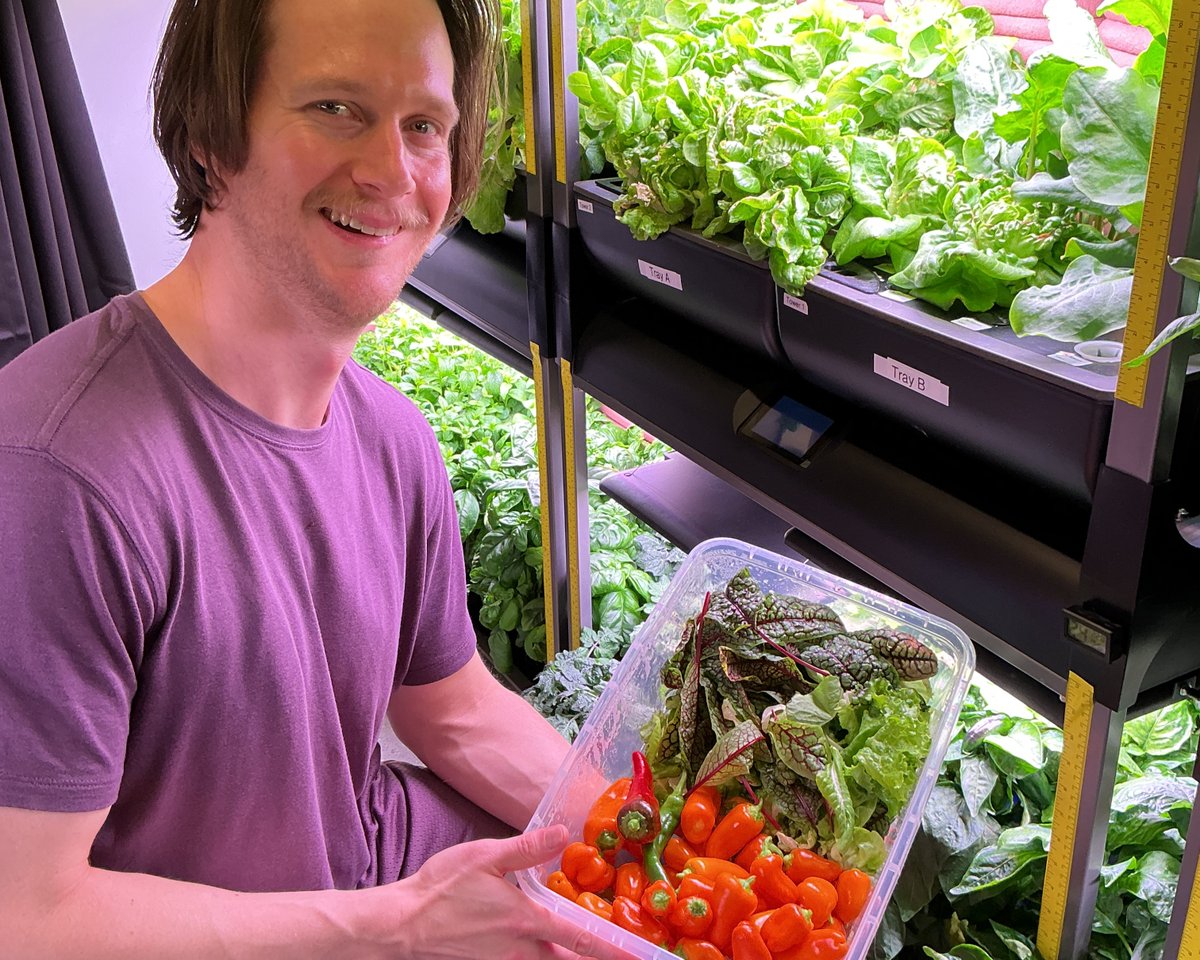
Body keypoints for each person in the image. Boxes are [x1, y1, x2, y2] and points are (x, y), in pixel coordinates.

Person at [0, 1, 633, 957]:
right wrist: (401, 932)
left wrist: (648, 838)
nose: (392, 171)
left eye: (425, 125)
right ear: (215, 134)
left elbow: (452, 710)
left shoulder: (392, 436)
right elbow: (26, 917)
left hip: (362, 883)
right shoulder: (55, 476)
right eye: (336, 107)